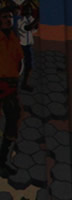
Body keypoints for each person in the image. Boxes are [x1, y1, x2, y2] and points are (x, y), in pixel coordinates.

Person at [0, 5, 22, 175]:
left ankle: (2, 159)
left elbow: (19, 59)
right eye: (4, 17)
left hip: (11, 84)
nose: (8, 20)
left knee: (13, 118)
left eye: (10, 17)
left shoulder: (14, 37)